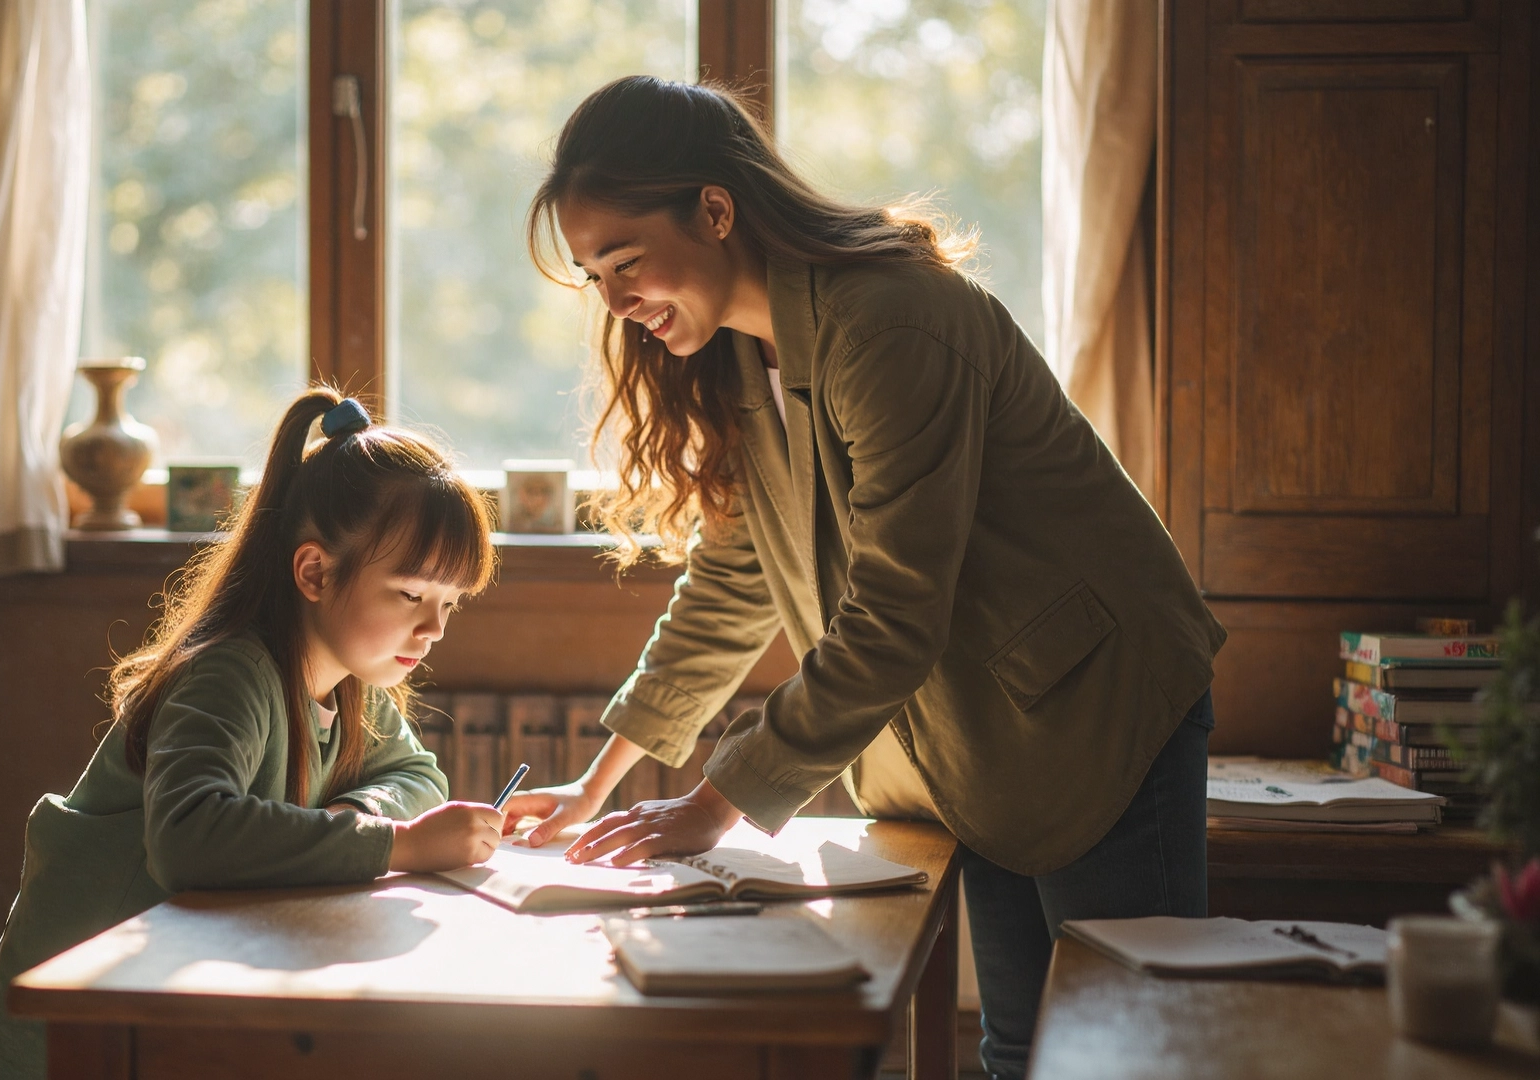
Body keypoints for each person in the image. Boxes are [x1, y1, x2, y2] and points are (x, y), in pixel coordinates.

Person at [500, 76, 1225, 1080]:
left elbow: (893, 613)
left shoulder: (889, 320)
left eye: (625, 262)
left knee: (1121, 1048)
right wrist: (598, 780)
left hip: (1099, 703)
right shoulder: (743, 355)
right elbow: (733, 579)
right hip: (988, 730)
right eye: (595, 277)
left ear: (715, 210)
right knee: (1021, 1046)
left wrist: (715, 803)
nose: (617, 304)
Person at [0, 389, 504, 1079]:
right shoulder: (231, 672)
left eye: (450, 603)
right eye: (410, 594)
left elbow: (418, 776)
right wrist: (401, 845)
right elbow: (189, 838)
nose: (435, 628)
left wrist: (358, 814)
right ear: (314, 571)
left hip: (165, 1012)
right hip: (70, 1040)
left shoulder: (348, 683)